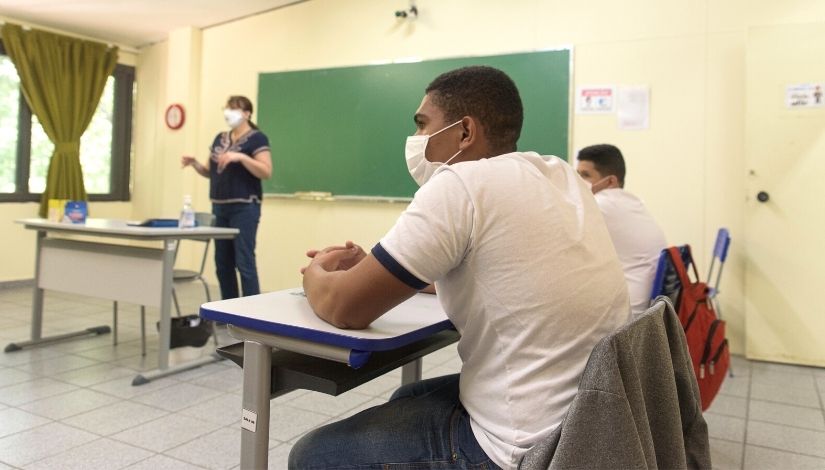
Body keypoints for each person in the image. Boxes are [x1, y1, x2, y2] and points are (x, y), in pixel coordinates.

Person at [290, 66, 629, 470]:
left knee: (312, 454)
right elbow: (496, 272)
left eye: (422, 125)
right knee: (407, 398)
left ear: (465, 132)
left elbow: (343, 306)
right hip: (592, 420)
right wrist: (378, 272)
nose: (415, 141)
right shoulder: (560, 175)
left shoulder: (460, 184)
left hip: (524, 446)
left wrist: (317, 274)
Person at [181, 95, 272, 299]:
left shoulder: (257, 138)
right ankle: (228, 311)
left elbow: (266, 171)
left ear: (247, 113)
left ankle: (252, 313)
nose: (229, 112)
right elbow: (209, 171)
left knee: (244, 262)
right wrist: (195, 163)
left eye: (234, 108)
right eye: (227, 108)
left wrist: (241, 157)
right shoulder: (219, 138)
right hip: (219, 207)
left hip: (245, 207)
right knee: (222, 263)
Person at [576, 144, 667, 317]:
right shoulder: (633, 202)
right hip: (648, 309)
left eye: (586, 175)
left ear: (611, 181)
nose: (578, 182)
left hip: (629, 317)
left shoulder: (601, 204)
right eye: (577, 175)